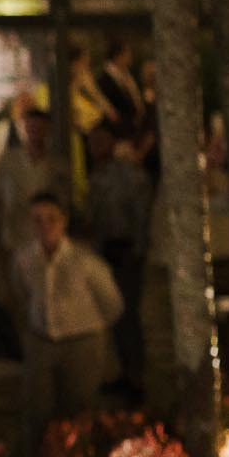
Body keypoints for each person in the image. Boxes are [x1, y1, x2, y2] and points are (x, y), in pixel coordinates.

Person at [12, 192, 122, 457]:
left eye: (52, 219)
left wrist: (88, 327)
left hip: (81, 342)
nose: (45, 226)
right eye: (38, 220)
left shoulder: (86, 261)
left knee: (78, 410)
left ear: (63, 222)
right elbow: (21, 295)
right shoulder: (24, 259)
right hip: (42, 340)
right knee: (37, 410)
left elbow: (112, 303)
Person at [82, 127, 150, 393]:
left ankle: (136, 377)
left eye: (101, 139)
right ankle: (122, 372)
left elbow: (141, 214)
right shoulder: (95, 174)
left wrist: (138, 250)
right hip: (103, 253)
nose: (96, 146)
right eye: (92, 141)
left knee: (128, 315)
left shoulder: (128, 174)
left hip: (126, 252)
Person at [0, 107, 67, 316]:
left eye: (40, 128)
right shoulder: (8, 162)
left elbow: (63, 204)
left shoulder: (57, 165)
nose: (35, 132)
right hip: (14, 240)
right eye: (31, 127)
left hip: (43, 243)